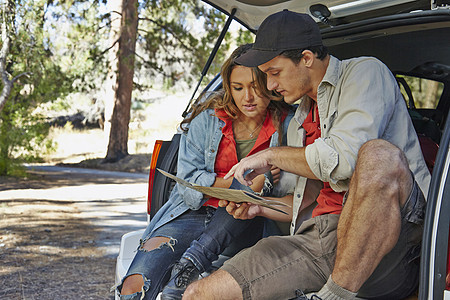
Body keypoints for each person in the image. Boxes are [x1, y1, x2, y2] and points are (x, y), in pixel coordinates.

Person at [183, 10, 431, 300]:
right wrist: (259, 207)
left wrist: (271, 155)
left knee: (378, 155)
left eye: (274, 73)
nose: (271, 86)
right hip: (321, 242)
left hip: (388, 246)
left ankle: (333, 295)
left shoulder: (366, 73)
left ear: (306, 58)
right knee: (199, 293)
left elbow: (341, 160)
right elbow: (305, 205)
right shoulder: (299, 121)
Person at [115, 43, 293, 300]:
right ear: (228, 88)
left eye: (255, 86)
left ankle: (189, 266)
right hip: (192, 212)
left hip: (246, 221)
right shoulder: (208, 120)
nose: (248, 98)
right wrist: (242, 183)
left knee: (242, 203)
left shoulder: (288, 124)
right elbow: (188, 187)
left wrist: (240, 188)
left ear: (270, 81)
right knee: (135, 283)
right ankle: (184, 271)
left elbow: (277, 192)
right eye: (238, 88)